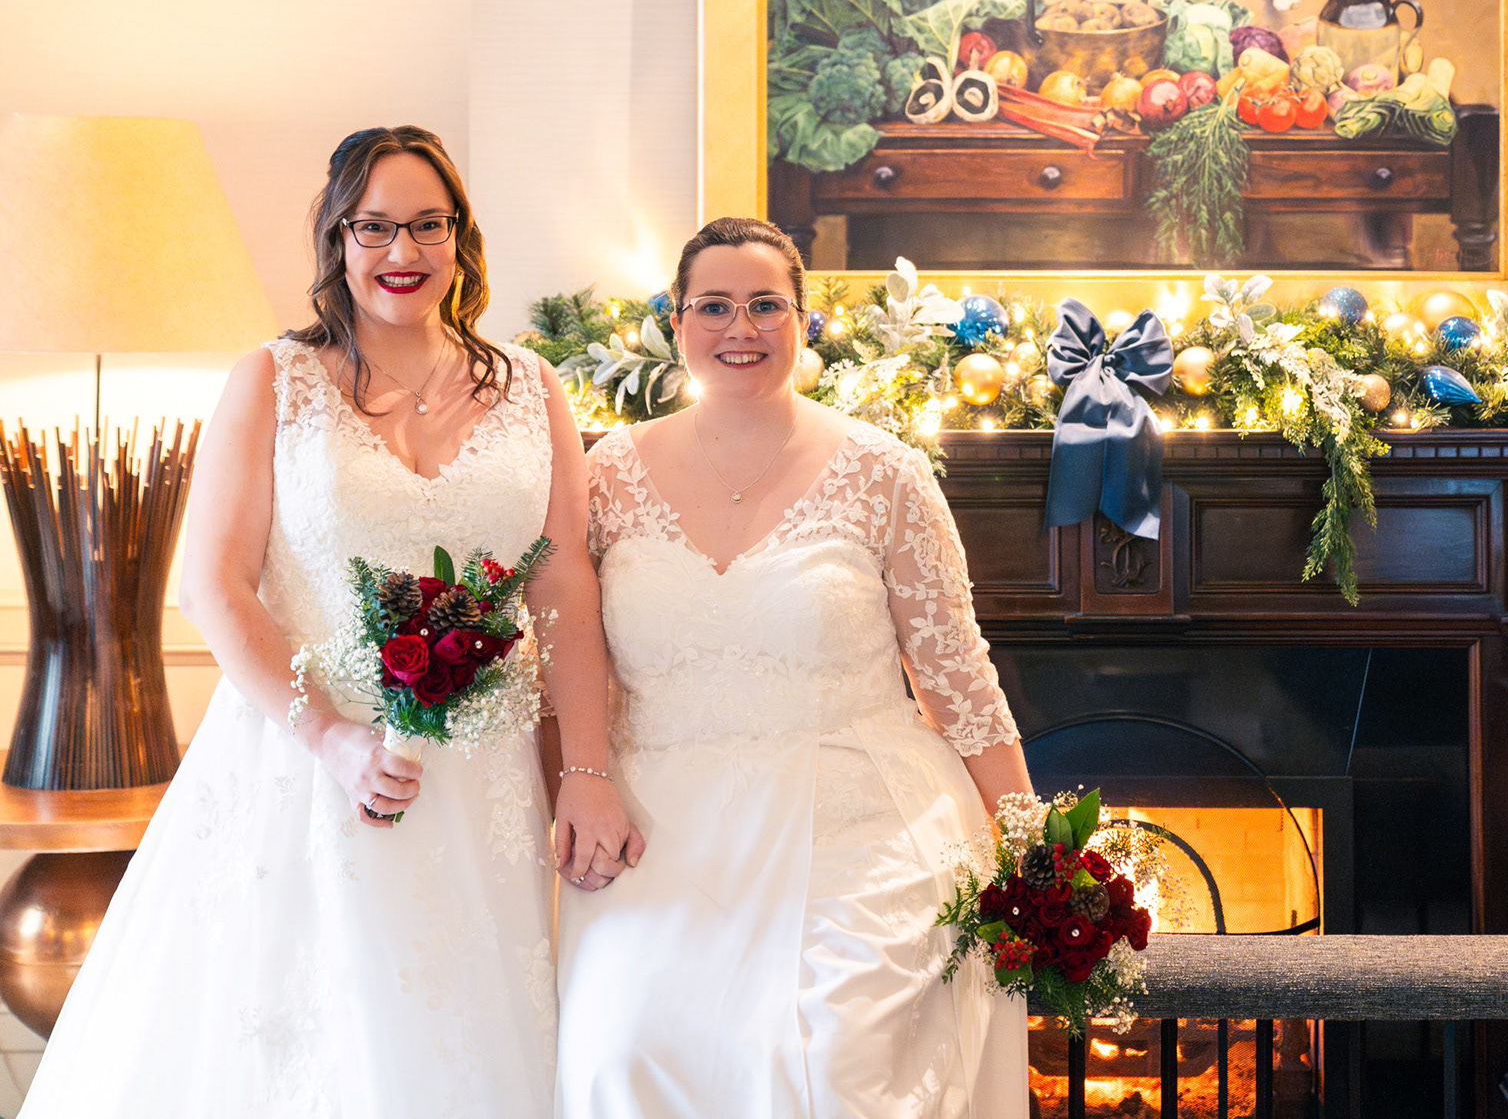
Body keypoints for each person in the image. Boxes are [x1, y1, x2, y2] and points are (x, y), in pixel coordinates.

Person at [21, 125, 641, 1118]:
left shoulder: (531, 388)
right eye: (375, 226)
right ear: (337, 238)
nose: (403, 251)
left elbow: (563, 581)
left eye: (428, 224)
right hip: (304, 765)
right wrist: (332, 738)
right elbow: (213, 584)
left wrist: (588, 771)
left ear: (460, 237)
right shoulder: (275, 380)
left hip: (482, 781)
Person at [557, 216, 1033, 1118]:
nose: (740, 328)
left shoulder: (886, 472)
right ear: (677, 320)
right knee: (623, 1050)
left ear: (804, 321)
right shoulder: (607, 472)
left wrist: (1033, 856)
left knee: (835, 1063)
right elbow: (568, 654)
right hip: (662, 824)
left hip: (858, 820)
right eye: (714, 306)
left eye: (766, 305)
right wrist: (578, 784)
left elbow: (960, 681)